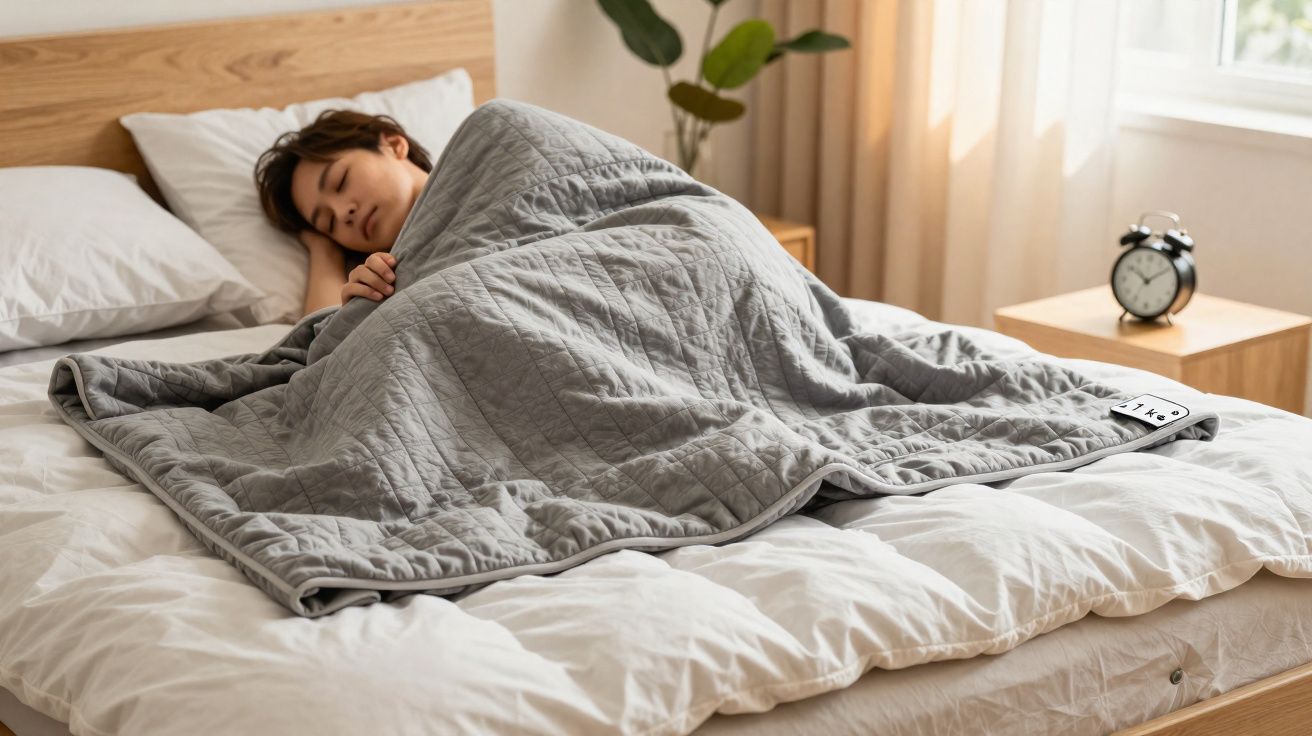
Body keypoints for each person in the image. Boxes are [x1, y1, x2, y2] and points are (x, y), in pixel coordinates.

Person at [254, 110, 434, 317]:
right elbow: (322, 343)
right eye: (328, 223)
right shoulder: (376, 285)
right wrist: (324, 251)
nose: (341, 214)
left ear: (393, 145)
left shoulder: (477, 158)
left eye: (340, 182)